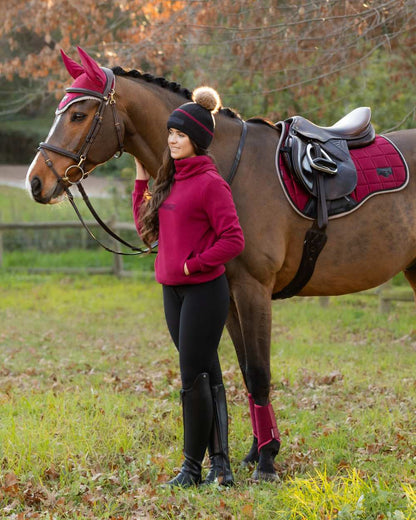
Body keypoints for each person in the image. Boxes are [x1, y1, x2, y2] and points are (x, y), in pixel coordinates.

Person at [132, 86, 245, 488]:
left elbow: (233, 239)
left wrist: (193, 263)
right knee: (205, 374)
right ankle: (222, 465)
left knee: (190, 377)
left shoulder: (211, 183)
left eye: (179, 134)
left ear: (196, 139)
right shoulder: (171, 179)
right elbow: (149, 228)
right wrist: (140, 180)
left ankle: (191, 469)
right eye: (170, 134)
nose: (172, 140)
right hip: (172, 291)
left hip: (203, 292)